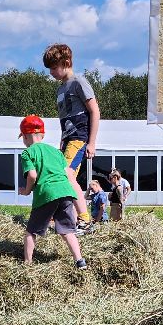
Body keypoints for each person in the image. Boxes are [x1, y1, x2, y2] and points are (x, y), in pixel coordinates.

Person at [18, 114, 86, 269]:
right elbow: (69, 175)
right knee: (68, 230)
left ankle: (27, 264)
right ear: (42, 135)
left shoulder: (27, 153)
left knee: (31, 232)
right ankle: (80, 261)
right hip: (66, 192)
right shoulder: (56, 152)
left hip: (46, 194)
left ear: (26, 136)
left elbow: (32, 175)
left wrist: (26, 191)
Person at [43, 43, 100, 180]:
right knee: (65, 175)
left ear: (66, 63)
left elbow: (95, 111)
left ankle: (75, 201)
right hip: (67, 139)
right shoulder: (60, 89)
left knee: (66, 174)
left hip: (79, 138)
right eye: (50, 69)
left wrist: (91, 143)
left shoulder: (79, 82)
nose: (51, 72)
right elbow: (64, 117)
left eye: (54, 67)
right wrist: (62, 140)